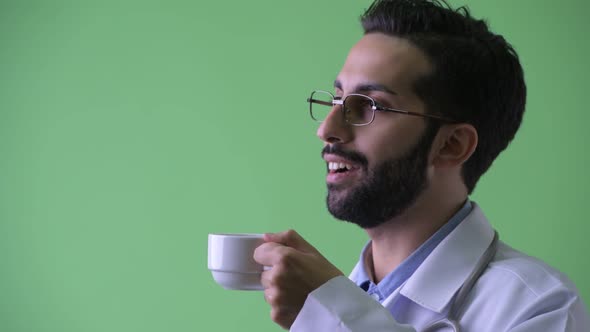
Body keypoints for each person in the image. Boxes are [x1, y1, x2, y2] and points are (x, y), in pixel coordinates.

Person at [253, 0, 589, 331]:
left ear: (451, 145)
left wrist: (332, 316)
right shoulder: (345, 295)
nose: (326, 130)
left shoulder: (542, 309)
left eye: (368, 106)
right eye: (338, 98)